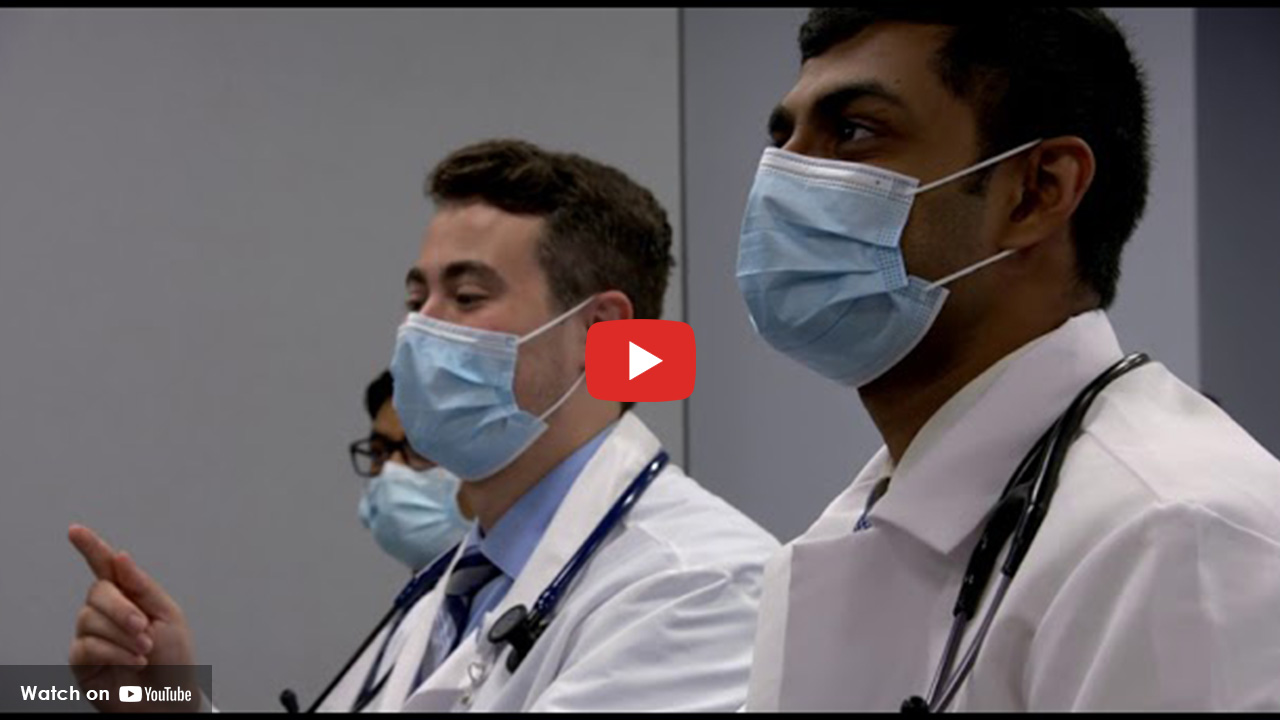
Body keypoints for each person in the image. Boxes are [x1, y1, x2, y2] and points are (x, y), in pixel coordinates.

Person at [739, 7, 1280, 711]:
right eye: (783, 139)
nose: (783, 178)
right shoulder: (854, 527)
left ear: (1037, 192)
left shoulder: (1173, 534)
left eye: (854, 132)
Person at [66, 370, 472, 712]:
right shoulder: (414, 624)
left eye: (419, 450)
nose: (393, 473)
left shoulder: (508, 619)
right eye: (381, 453)